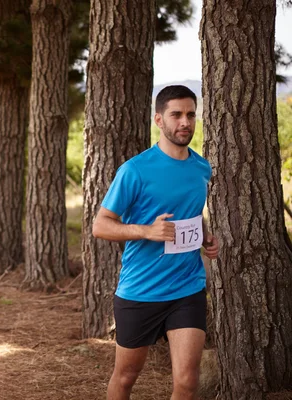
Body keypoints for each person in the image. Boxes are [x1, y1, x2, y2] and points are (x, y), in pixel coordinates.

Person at [92, 85, 220, 400]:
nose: (185, 122)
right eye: (176, 115)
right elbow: (100, 225)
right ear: (159, 120)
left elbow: (190, 213)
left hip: (187, 288)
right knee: (125, 378)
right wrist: (146, 231)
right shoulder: (135, 170)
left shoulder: (201, 167)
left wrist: (204, 236)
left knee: (188, 381)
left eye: (190, 114)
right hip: (141, 291)